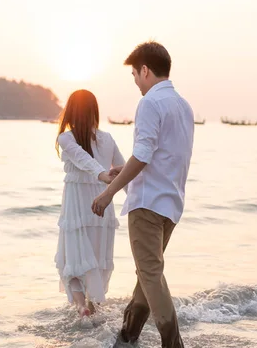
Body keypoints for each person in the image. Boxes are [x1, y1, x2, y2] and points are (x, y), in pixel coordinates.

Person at [92, 41, 194, 347]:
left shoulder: (150, 103)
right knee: (147, 275)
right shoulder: (183, 106)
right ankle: (128, 336)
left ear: (145, 70)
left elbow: (144, 155)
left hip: (147, 205)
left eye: (135, 75)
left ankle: (173, 344)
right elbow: (165, 156)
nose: (136, 82)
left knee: (150, 275)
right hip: (171, 204)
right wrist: (122, 170)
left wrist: (109, 192)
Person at [54, 89, 126, 317]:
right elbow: (125, 170)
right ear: (95, 111)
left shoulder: (66, 138)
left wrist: (103, 174)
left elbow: (86, 160)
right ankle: (93, 307)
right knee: (96, 261)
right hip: (101, 210)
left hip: (77, 211)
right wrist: (135, 197)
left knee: (72, 262)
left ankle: (81, 307)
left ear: (71, 111)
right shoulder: (107, 139)